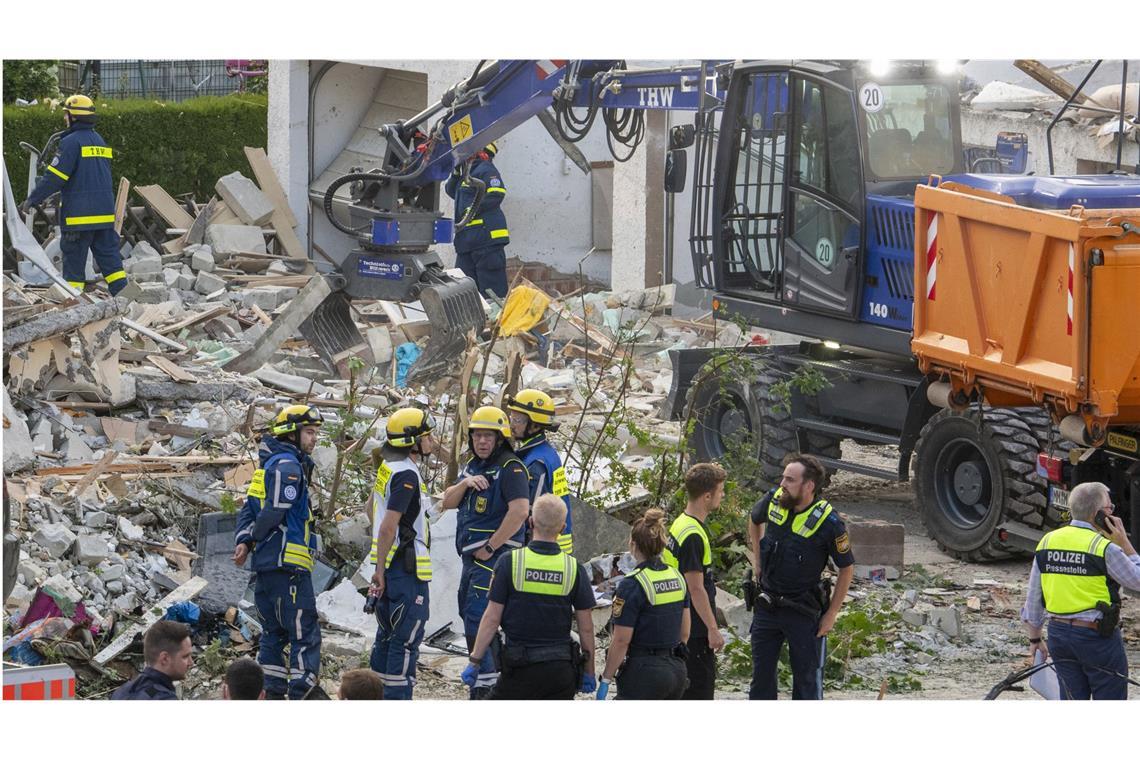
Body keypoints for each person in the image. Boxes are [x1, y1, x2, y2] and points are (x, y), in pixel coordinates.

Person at [462, 494, 596, 699]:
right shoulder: (573, 568)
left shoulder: (510, 562)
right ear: (562, 528)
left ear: (531, 522)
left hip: (519, 669)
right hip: (560, 672)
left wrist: (475, 661)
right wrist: (589, 671)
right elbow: (586, 627)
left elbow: (491, 618)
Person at [233, 404, 324, 700]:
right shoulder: (288, 466)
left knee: (273, 633)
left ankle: (271, 694)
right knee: (303, 633)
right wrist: (256, 537)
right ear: (291, 434)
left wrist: (245, 540)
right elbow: (275, 510)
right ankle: (303, 694)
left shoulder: (267, 466)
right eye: (309, 432)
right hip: (289, 567)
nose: (314, 439)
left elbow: (249, 509)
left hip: (268, 567)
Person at [439, 405, 530, 698]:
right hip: (472, 558)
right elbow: (447, 503)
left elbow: (519, 512)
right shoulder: (472, 467)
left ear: (500, 438)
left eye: (488, 436)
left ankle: (489, 687)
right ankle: (481, 678)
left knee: (481, 616)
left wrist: (491, 547)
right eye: (477, 435)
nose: (482, 441)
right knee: (468, 613)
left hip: (494, 557)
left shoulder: (511, 467)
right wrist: (464, 483)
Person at [747, 453, 854, 700]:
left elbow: (846, 569)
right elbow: (754, 520)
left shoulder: (830, 523)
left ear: (808, 486)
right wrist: (757, 558)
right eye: (783, 477)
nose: (782, 484)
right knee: (760, 681)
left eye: (790, 479)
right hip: (767, 606)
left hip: (803, 613)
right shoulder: (775, 500)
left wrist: (832, 614)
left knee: (806, 684)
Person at [1022, 481, 1140, 700]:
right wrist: (1126, 544)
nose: (1113, 512)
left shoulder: (1048, 541)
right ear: (1098, 514)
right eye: (1110, 509)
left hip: (1058, 636)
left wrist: (1035, 640)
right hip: (1096, 638)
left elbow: (1034, 598)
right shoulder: (1104, 547)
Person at [19, 94, 133, 297]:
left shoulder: (70, 143)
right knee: (111, 263)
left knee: (73, 266)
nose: (64, 119)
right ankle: (127, 301)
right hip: (104, 216)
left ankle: (75, 307)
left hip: (79, 218)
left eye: (66, 114)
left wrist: (32, 200)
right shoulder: (100, 141)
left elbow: (55, 178)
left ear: (74, 116)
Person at [366, 407, 437, 699]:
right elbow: (387, 527)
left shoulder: (389, 467)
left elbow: (369, 509)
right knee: (405, 639)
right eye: (427, 436)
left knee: (386, 636)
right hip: (405, 570)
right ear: (413, 441)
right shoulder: (406, 474)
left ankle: (373, 696)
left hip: (391, 568)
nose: (432, 441)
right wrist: (381, 571)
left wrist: (379, 568)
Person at [598, 508, 690, 700]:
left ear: (632, 545)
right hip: (677, 670)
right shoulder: (677, 576)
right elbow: (684, 633)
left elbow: (621, 640)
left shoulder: (632, 584)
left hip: (644, 673)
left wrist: (606, 678)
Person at [662, 462, 726, 699]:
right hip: (695, 629)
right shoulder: (693, 536)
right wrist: (713, 629)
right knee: (699, 691)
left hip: (679, 619)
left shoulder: (681, 523)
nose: (723, 495)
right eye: (720, 491)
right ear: (707, 496)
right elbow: (696, 588)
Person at [507, 388, 573, 553]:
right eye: (512, 417)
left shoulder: (536, 463)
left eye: (518, 420)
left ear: (535, 425)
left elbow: (531, 515)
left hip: (544, 547)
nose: (512, 424)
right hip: (553, 545)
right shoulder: (544, 452)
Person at [444, 141, 510, 299]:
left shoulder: (486, 169)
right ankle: (473, 321)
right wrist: (455, 172)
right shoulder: (465, 175)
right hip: (467, 242)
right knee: (464, 288)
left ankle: (496, 320)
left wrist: (473, 209)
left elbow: (497, 193)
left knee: (491, 289)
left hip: (486, 240)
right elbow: (451, 191)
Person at [110, 621, 192, 700]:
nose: (191, 662)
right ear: (164, 659)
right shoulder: (164, 698)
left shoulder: (122, 691)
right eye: (185, 656)